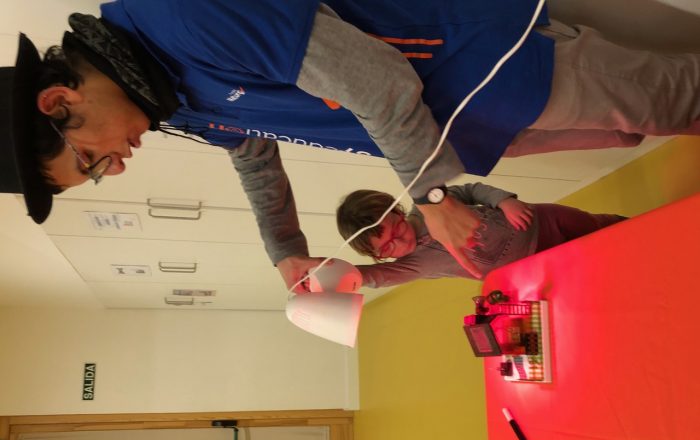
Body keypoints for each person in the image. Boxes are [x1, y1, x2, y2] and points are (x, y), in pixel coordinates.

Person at [1, 0, 699, 292]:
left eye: (91, 162)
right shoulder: (168, 103)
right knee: (633, 128)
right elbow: (252, 154)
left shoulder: (180, 18)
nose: (117, 165)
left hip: (492, 68)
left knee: (680, 98)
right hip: (472, 131)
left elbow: (378, 81)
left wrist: (432, 197)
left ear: (59, 101)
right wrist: (285, 250)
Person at [336, 183, 626, 287]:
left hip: (543, 222)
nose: (400, 241)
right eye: (388, 247)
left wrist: (504, 201)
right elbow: (369, 277)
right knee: (599, 266)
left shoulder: (429, 205)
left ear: (398, 210)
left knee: (604, 227)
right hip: (533, 269)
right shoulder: (409, 266)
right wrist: (328, 278)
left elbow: (471, 190)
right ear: (379, 256)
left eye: (396, 228)